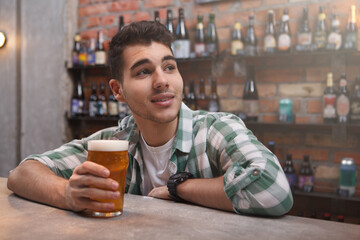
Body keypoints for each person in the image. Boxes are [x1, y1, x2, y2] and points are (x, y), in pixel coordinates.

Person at [8, 21, 293, 216]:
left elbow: (274, 190)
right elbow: (22, 174)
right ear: (117, 90)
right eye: (144, 71)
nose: (162, 81)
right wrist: (67, 194)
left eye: (169, 67)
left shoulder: (215, 129)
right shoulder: (114, 142)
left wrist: (178, 187)